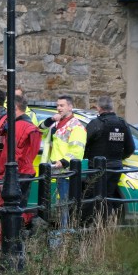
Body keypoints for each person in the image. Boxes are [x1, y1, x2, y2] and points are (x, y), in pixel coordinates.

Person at [0, 95, 42, 247]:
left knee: (0, 209)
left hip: (14, 173)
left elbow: (12, 153)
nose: (5, 111)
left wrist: (2, 169)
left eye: (7, 108)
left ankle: (1, 244)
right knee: (16, 210)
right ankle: (12, 242)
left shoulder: (19, 127)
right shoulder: (28, 126)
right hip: (23, 172)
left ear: (15, 108)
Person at [83, 95, 134, 221]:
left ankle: (89, 227)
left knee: (92, 197)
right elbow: (130, 147)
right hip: (115, 167)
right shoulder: (123, 124)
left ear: (99, 108)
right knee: (108, 197)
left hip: (97, 168)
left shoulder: (96, 124)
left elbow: (83, 144)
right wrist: (119, 158)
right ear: (112, 107)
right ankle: (105, 227)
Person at [41, 95, 87, 228]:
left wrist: (64, 161)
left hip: (65, 171)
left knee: (64, 204)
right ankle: (61, 231)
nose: (59, 108)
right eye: (58, 105)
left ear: (70, 107)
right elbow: (39, 129)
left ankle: (64, 232)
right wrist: (50, 120)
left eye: (62, 105)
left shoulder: (76, 126)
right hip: (54, 170)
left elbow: (77, 149)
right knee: (59, 204)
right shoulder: (56, 123)